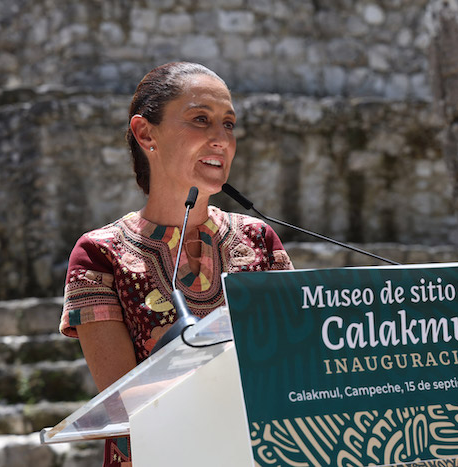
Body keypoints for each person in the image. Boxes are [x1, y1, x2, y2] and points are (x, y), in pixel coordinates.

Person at [58, 62, 293, 466]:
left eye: (229, 124)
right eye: (201, 120)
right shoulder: (99, 254)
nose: (221, 140)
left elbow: (293, 366)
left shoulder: (260, 241)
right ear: (145, 133)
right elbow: (124, 406)